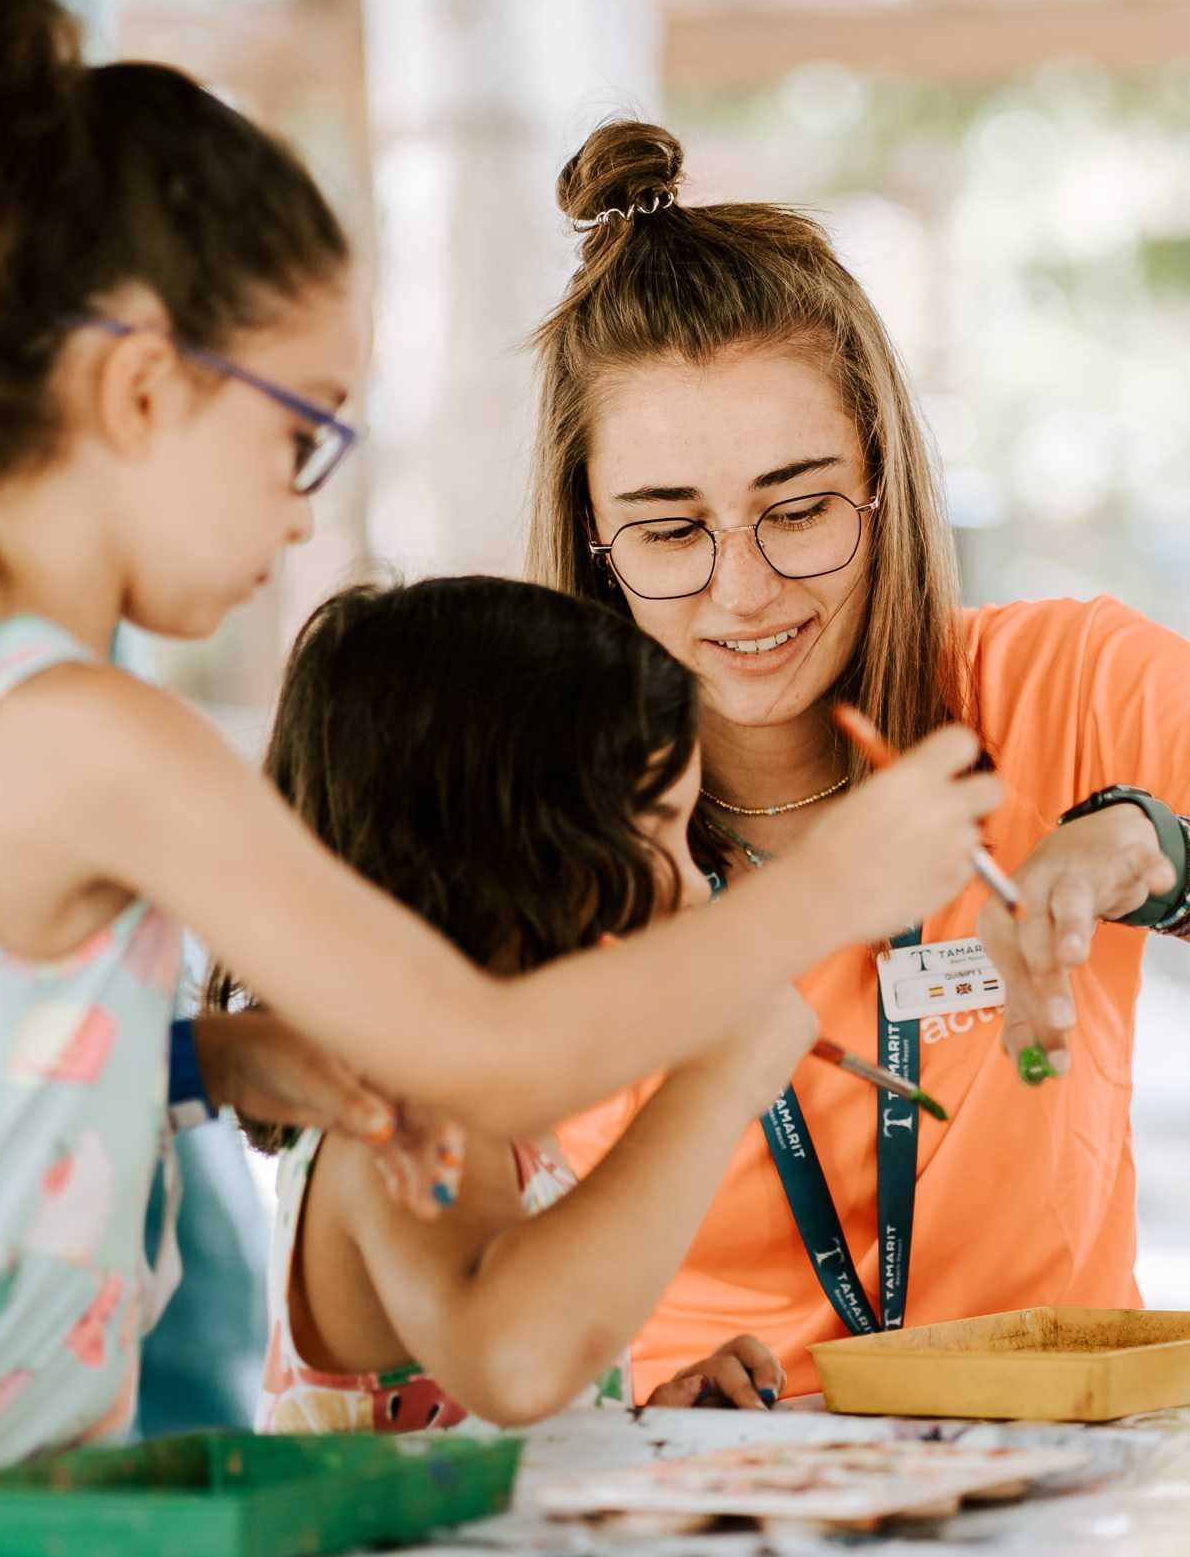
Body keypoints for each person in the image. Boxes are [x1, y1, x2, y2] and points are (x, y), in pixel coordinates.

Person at [0, 0, 1005, 1557]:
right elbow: (494, 1055)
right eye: (298, 434)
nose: (301, 511)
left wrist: (211, 1066)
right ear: (142, 387)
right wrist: (831, 897)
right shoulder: (97, 737)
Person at [529, 119, 1190, 1392]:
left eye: (801, 509)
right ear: (591, 536)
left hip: (1063, 1464)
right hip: (710, 1499)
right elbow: (456, 1290)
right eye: (667, 532)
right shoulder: (524, 799)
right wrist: (623, 1403)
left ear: (889, 482)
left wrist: (1162, 855)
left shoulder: (1068, 681)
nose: (744, 591)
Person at [238, 577, 807, 1433]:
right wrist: (717, 1081)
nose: (692, 888)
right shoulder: (404, 1110)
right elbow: (510, 1361)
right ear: (503, 840)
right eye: (655, 828)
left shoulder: (468, 1091)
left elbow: (496, 1393)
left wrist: (612, 1416)